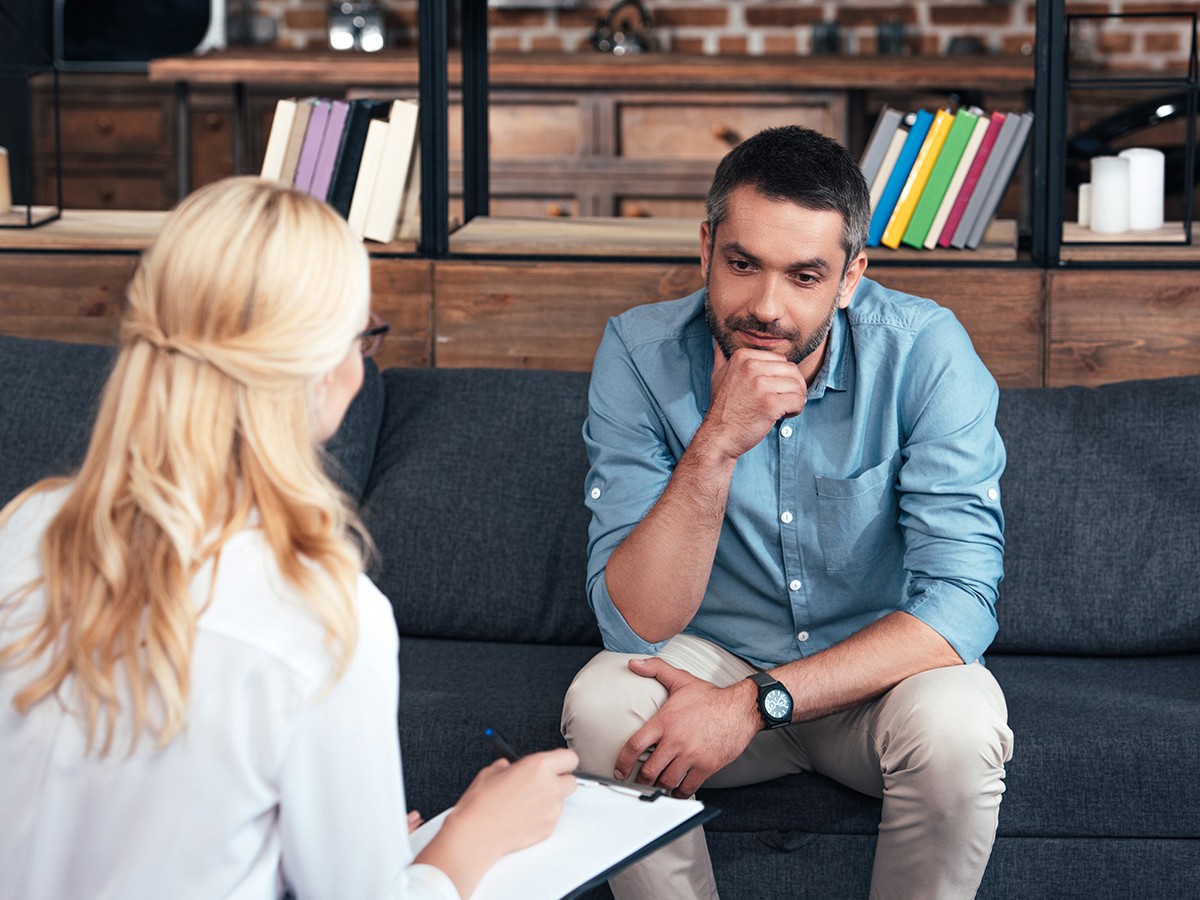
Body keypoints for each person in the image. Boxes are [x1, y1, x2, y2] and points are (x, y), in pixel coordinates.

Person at [0, 177, 577, 900]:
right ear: (324, 369)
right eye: (360, 336)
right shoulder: (323, 612)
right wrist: (472, 837)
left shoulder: (28, 529)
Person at [561, 126, 1014, 900]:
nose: (766, 307)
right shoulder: (638, 355)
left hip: (876, 681)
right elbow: (632, 624)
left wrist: (759, 701)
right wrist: (716, 444)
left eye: (805, 276)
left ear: (850, 277)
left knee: (961, 724)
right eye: (742, 265)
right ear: (705, 248)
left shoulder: (924, 352)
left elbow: (961, 605)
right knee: (602, 706)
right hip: (708, 660)